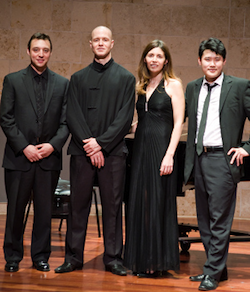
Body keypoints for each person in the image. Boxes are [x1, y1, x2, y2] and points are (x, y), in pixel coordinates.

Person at [55, 26, 135, 276]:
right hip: (82, 153)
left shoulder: (126, 78)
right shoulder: (77, 78)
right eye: (96, 40)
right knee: (78, 206)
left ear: (112, 43)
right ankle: (73, 258)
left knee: (113, 206)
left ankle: (112, 258)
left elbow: (124, 119)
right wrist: (90, 145)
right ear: (90, 44)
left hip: (112, 154)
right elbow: (73, 115)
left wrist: (100, 143)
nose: (100, 43)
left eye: (105, 40)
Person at [0, 32, 69, 272]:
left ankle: (41, 256)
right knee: (15, 211)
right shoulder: (12, 80)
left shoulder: (62, 83)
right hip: (19, 157)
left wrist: (52, 145)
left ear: (50, 52)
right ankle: (12, 256)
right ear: (28, 52)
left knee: (44, 211)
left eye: (45, 50)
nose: (41, 54)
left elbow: (66, 121)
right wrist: (24, 146)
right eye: (36, 49)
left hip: (49, 158)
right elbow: (6, 118)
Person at [185, 37, 250, 291]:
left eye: (217, 59)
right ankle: (216, 270)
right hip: (198, 159)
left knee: (219, 220)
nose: (212, 64)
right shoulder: (192, 88)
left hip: (223, 160)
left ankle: (212, 272)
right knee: (203, 219)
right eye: (207, 59)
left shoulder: (240, 86)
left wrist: (247, 148)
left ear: (223, 61)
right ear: (199, 61)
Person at [124, 40, 185, 277]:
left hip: (162, 150)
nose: (154, 60)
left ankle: (158, 261)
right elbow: (144, 117)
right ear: (145, 59)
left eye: (159, 56)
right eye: (150, 55)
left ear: (166, 60)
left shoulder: (174, 85)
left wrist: (170, 155)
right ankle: (142, 260)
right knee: (140, 203)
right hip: (140, 149)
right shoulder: (142, 85)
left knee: (158, 204)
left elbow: (178, 122)